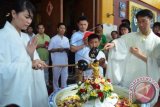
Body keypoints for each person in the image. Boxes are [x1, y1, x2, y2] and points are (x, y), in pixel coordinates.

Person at [104, 9, 160, 106]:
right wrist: (113, 44)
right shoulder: (131, 36)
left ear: (151, 20)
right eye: (138, 22)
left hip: (145, 80)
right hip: (129, 76)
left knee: (141, 103)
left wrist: (139, 54)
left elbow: (157, 63)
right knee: (125, 101)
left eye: (143, 21)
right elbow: (120, 42)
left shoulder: (157, 41)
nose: (141, 24)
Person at [0, 0, 48, 107]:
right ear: (13, 14)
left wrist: (31, 56)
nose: (29, 21)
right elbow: (2, 70)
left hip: (29, 87)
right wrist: (29, 64)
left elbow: (32, 62)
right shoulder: (2, 36)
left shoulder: (26, 37)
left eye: (31, 18)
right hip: (15, 93)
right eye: (26, 17)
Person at [48, 23, 70, 93]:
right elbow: (49, 49)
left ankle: (64, 90)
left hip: (64, 60)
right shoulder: (53, 39)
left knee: (65, 76)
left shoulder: (66, 39)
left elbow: (68, 49)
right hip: (56, 60)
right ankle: (55, 90)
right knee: (56, 77)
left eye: (64, 28)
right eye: (61, 28)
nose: (62, 29)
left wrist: (66, 49)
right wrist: (58, 49)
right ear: (57, 29)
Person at [70, 16, 89, 81]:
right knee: (79, 82)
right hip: (79, 60)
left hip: (90, 61)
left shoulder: (90, 34)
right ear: (78, 25)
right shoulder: (75, 35)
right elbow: (72, 49)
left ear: (87, 24)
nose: (83, 26)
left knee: (90, 82)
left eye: (84, 24)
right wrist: (84, 44)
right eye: (81, 24)